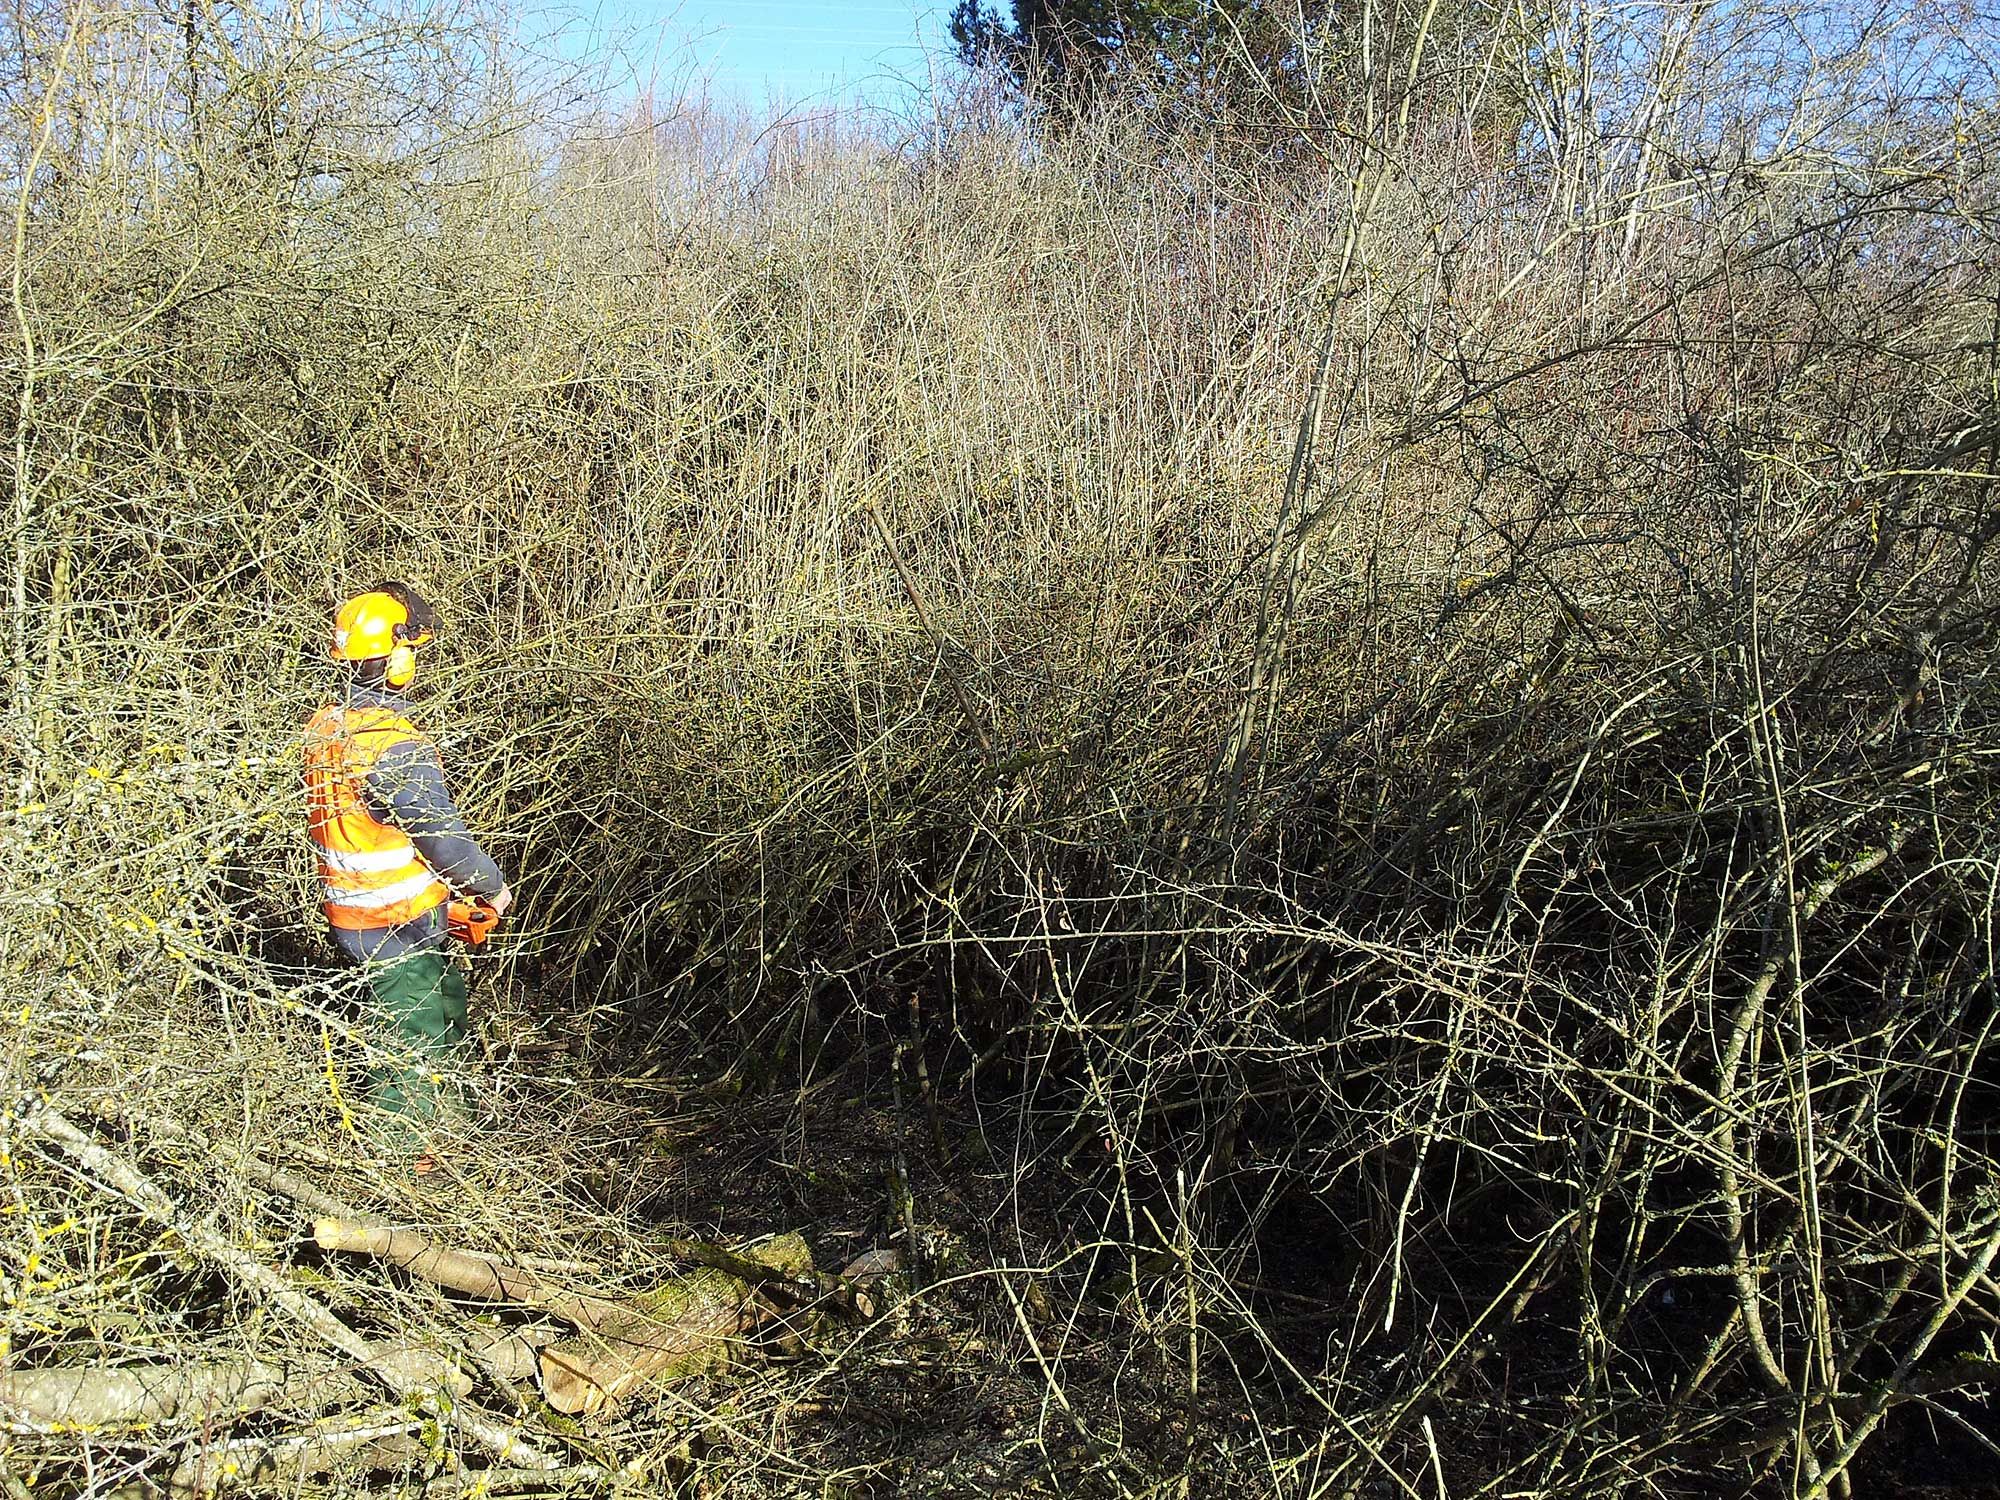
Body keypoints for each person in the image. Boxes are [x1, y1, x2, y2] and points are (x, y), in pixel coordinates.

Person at [303, 582, 512, 1160]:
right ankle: (404, 1168)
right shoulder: (391, 746)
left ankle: (455, 1131)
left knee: (440, 1011)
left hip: (362, 911)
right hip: (393, 919)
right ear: (396, 658)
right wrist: (489, 889)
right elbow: (440, 836)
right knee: (412, 1040)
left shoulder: (328, 728)